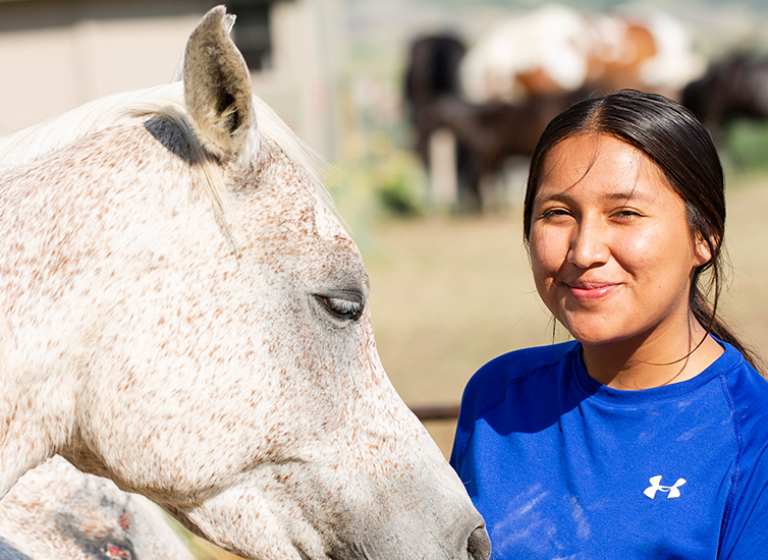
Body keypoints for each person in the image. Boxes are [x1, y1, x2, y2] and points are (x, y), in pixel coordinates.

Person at [450, 89, 768, 559]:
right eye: (557, 214)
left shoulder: (754, 438)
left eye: (625, 214)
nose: (584, 251)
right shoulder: (497, 398)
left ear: (704, 237)